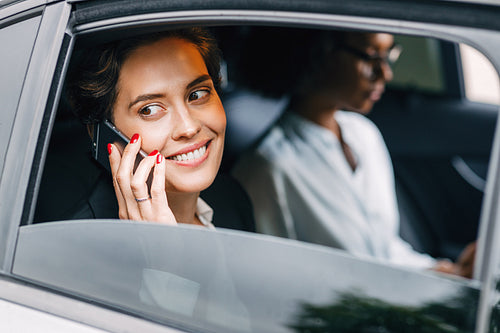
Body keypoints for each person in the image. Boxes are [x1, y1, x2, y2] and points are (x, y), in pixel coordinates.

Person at [231, 28, 474, 277]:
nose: (386, 73)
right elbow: (270, 279)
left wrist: (446, 272)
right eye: (370, 57)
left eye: (388, 55)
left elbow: (383, 250)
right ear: (317, 55)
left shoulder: (364, 134)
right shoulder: (269, 169)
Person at [64, 27, 253, 230]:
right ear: (103, 133)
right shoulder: (79, 248)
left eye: (197, 94)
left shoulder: (231, 198)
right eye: (150, 109)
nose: (188, 128)